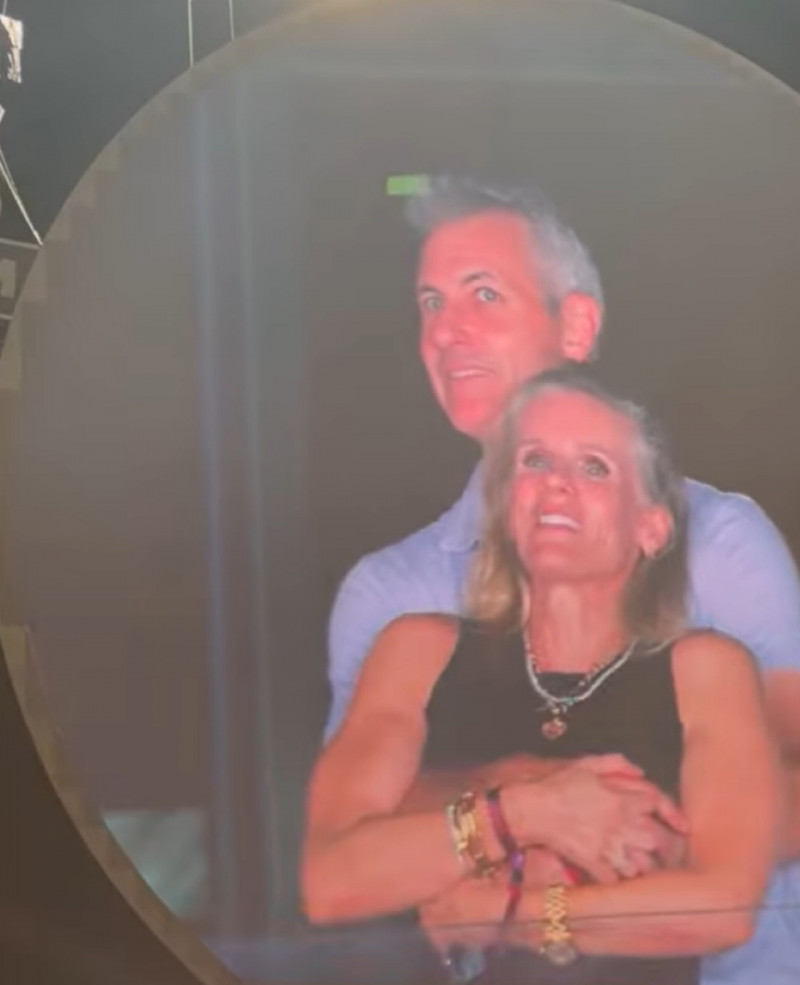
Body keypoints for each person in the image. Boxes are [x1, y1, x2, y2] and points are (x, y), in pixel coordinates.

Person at [323, 176, 800, 983]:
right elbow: (349, 841)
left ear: (575, 324)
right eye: (431, 302)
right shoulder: (388, 592)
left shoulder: (720, 540)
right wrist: (526, 801)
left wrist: (571, 862)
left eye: (484, 293)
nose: (446, 330)